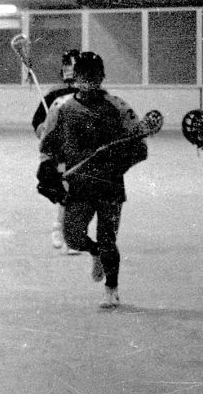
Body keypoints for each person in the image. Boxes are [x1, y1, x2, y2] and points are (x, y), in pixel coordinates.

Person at [35, 51, 148, 309]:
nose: (89, 80)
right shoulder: (61, 107)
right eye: (84, 75)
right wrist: (46, 168)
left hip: (109, 185)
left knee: (108, 240)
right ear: (75, 77)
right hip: (78, 185)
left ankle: (111, 288)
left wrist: (115, 160)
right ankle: (94, 252)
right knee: (73, 238)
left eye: (94, 75)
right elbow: (48, 146)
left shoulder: (118, 107)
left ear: (102, 76)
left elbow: (140, 149)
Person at [32, 49, 84, 254]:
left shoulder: (89, 94)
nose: (69, 70)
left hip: (81, 151)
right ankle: (62, 229)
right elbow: (38, 121)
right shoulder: (54, 94)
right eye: (67, 65)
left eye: (73, 65)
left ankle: (67, 232)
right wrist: (45, 131)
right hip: (58, 153)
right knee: (66, 189)